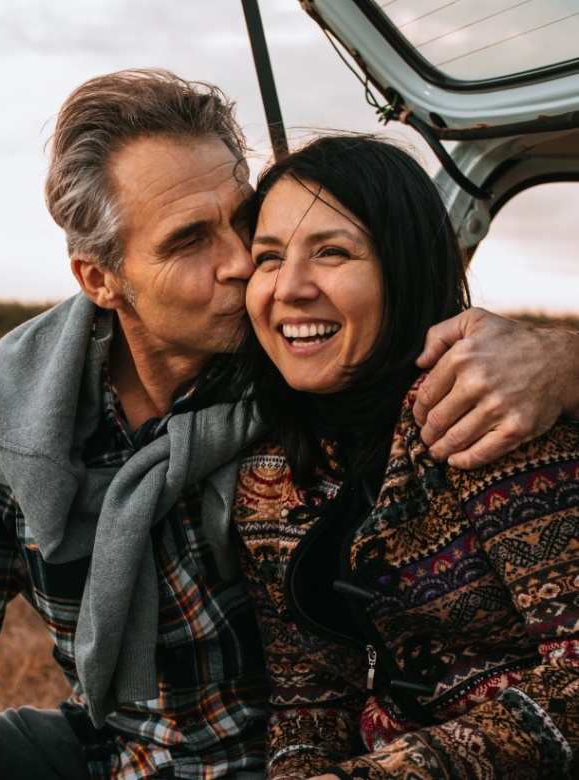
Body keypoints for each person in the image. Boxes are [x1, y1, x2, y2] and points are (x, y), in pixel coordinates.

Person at [0, 70, 577, 780]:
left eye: (243, 224)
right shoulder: (6, 405)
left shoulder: (306, 359)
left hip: (275, 754)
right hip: (122, 749)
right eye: (189, 241)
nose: (245, 265)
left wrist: (567, 357)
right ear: (99, 279)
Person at [230, 133, 579, 780]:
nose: (290, 287)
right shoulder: (268, 475)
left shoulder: (486, 414)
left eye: (332, 252)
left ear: (405, 266)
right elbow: (308, 699)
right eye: (269, 257)